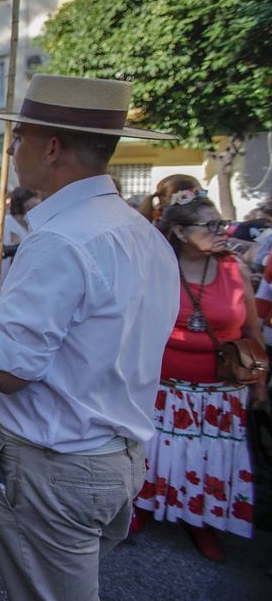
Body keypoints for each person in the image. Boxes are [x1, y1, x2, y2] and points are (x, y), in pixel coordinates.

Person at [0, 74, 180, 601]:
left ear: (51, 148)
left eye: (20, 136)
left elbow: (7, 372)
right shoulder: (145, 235)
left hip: (58, 469)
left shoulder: (60, 239)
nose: (12, 149)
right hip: (117, 459)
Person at [130, 191, 264, 559]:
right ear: (181, 232)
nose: (223, 231)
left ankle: (200, 519)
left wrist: (260, 387)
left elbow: (251, 330)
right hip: (162, 389)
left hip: (219, 392)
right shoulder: (157, 267)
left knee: (208, 458)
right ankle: (140, 507)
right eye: (212, 225)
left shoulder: (233, 269)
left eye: (222, 223)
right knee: (152, 453)